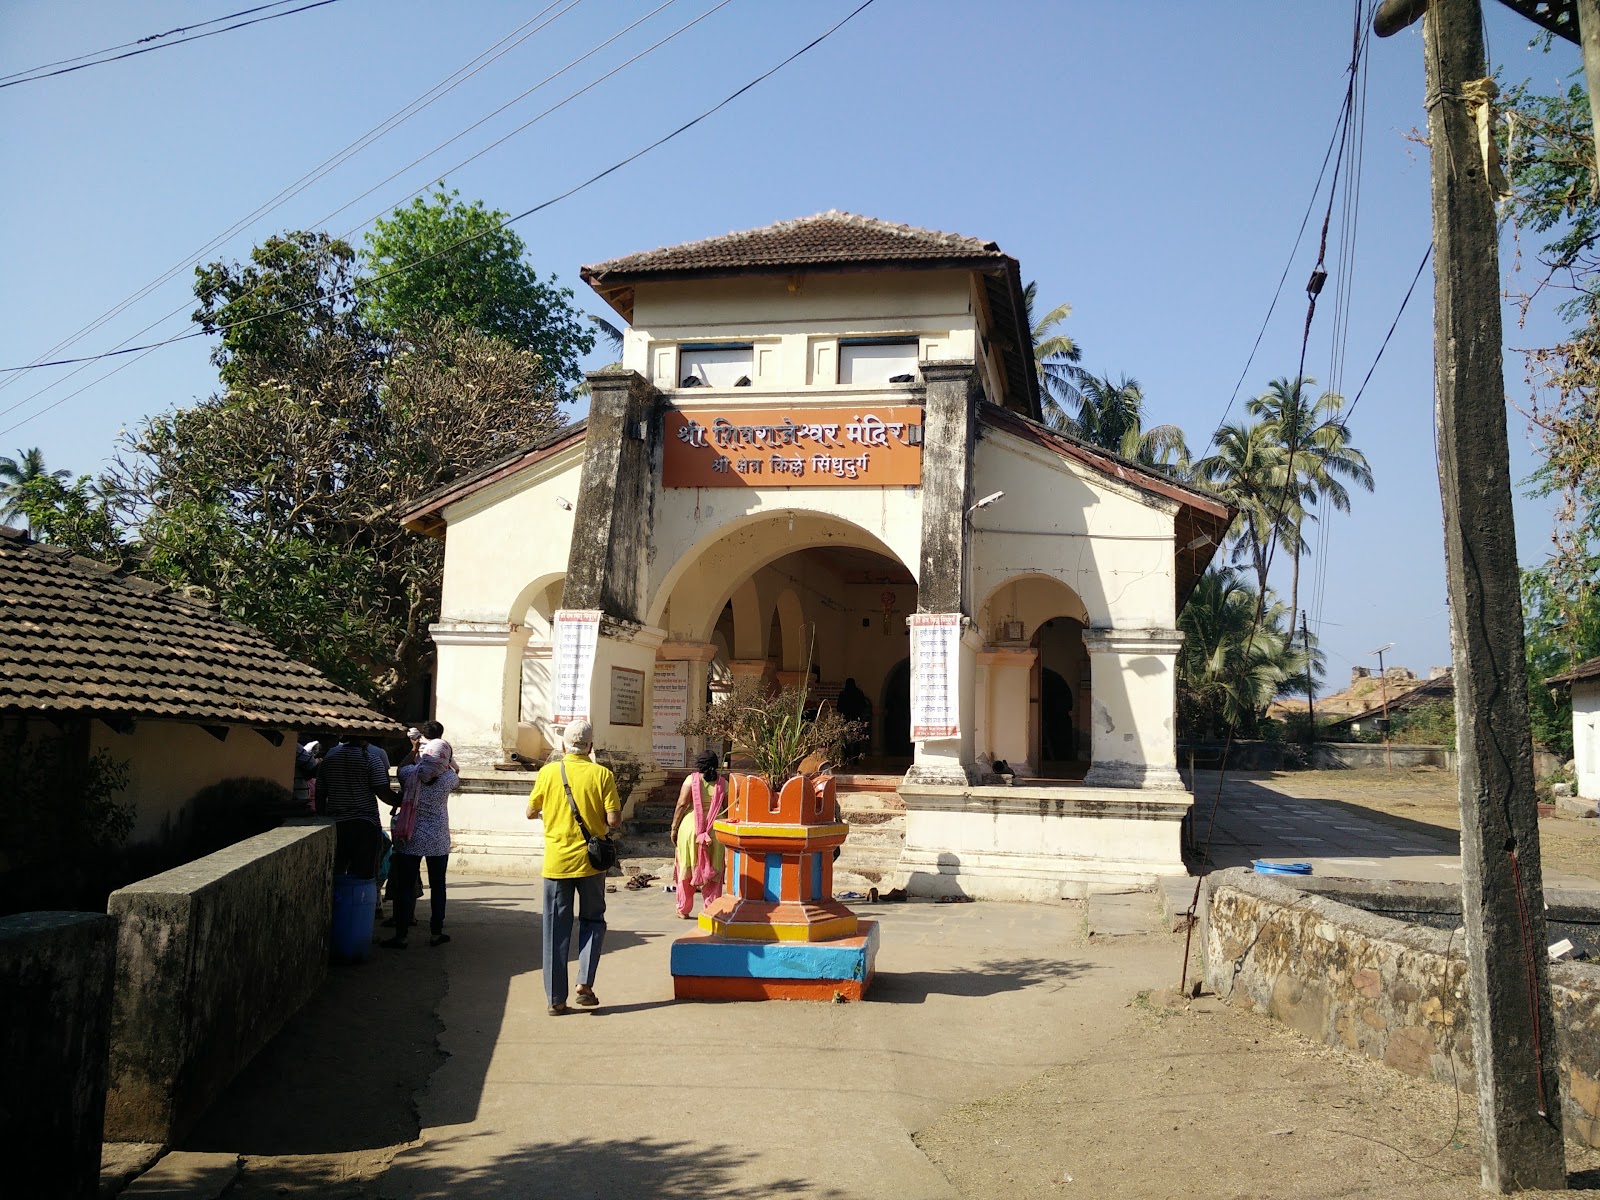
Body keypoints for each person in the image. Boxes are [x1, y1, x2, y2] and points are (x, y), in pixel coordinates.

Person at [527, 720, 620, 1015]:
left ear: (564, 745)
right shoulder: (601, 774)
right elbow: (614, 819)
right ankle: (584, 982)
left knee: (555, 929)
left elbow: (531, 811)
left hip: (557, 863)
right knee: (593, 921)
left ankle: (556, 998)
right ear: (590, 746)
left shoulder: (548, 772)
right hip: (592, 864)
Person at [382, 746, 459, 949]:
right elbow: (455, 771)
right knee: (438, 886)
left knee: (405, 887)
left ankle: (401, 935)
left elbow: (401, 768)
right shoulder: (448, 779)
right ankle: (436, 932)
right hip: (438, 839)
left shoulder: (410, 775)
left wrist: (414, 748)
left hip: (411, 836)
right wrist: (448, 760)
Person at [316, 732, 397, 879]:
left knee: (336, 871)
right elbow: (383, 793)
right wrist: (401, 800)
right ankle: (360, 900)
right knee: (364, 873)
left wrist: (321, 820)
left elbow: (320, 793)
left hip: (336, 823)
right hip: (364, 824)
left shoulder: (329, 760)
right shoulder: (371, 760)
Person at [670, 750, 726, 919]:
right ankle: (711, 910)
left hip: (690, 829)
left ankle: (684, 909)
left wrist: (674, 827)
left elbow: (681, 804)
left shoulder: (691, 779)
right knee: (715, 869)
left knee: (686, 867)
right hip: (715, 830)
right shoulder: (723, 782)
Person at [836, 677, 873, 763]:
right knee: (856, 740)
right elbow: (863, 705)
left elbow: (839, 707)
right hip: (856, 719)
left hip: (846, 719)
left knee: (846, 740)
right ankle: (855, 759)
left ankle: (847, 758)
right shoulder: (859, 693)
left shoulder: (843, 694)